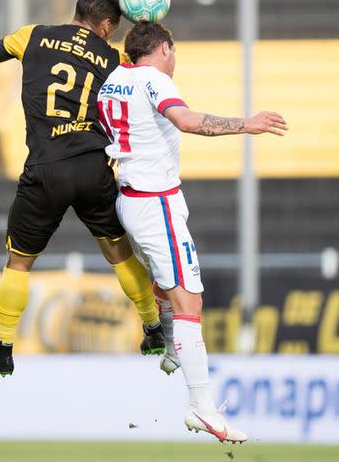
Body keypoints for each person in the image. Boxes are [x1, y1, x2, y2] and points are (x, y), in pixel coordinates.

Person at [0, 0, 164, 376]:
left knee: (19, 262)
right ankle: (152, 328)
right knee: (119, 253)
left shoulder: (33, 35)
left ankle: (2, 348)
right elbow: (144, 75)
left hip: (45, 167)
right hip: (93, 166)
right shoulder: (113, 58)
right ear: (108, 25)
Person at [98, 22, 288, 443]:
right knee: (190, 301)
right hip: (155, 202)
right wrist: (247, 124)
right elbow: (184, 120)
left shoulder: (114, 79)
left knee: (168, 288)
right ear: (163, 48)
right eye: (174, 50)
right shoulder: (153, 79)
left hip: (130, 197)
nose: (175, 59)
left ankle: (170, 345)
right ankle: (202, 408)